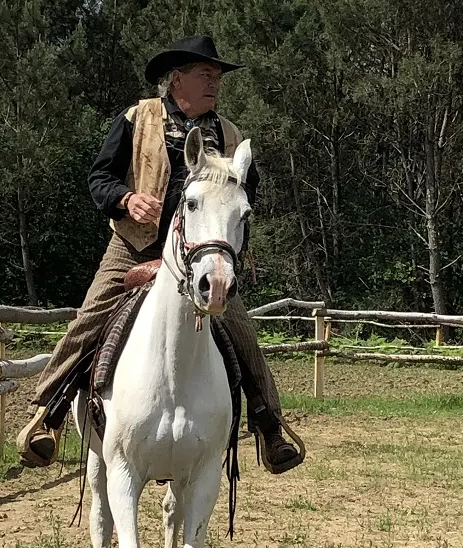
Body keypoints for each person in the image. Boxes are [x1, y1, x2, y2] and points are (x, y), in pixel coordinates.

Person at [16, 35, 303, 475]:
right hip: (132, 246)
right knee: (90, 317)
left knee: (242, 330)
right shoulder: (137, 118)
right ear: (176, 80)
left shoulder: (230, 133)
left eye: (217, 76)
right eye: (206, 74)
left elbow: (249, 192)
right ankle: (46, 415)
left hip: (198, 256)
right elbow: (99, 177)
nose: (215, 83)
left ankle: (270, 426)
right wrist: (127, 199)